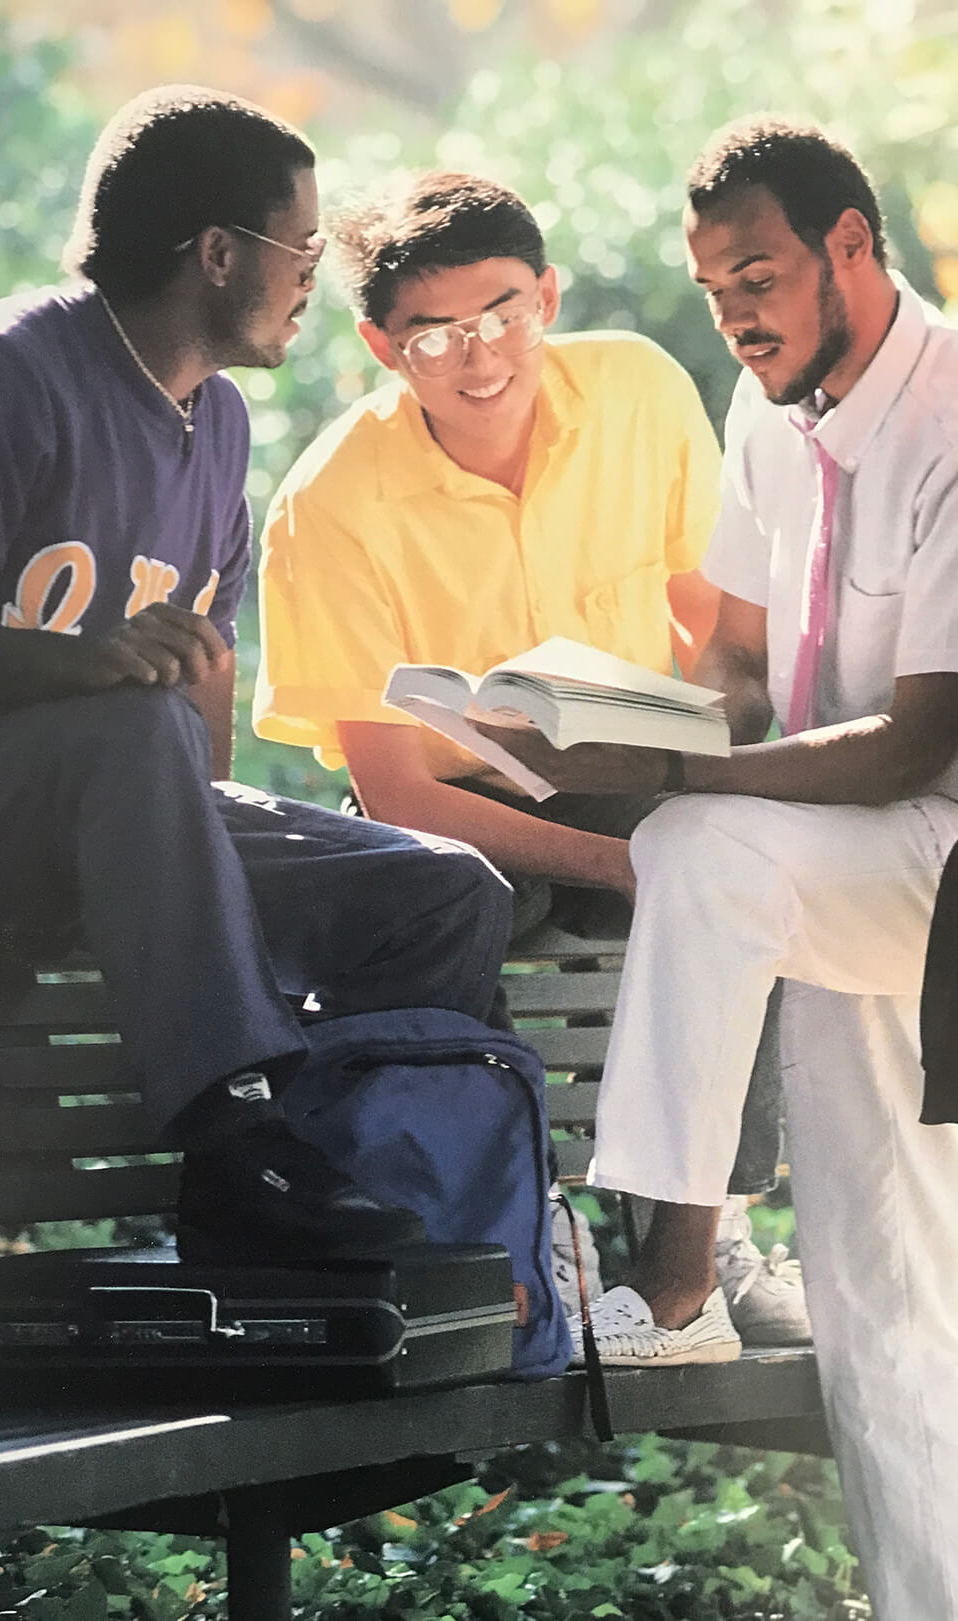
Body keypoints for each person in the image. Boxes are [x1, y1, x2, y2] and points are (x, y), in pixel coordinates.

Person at [476, 118, 958, 1621]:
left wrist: (674, 782)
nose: (734, 313)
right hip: (823, 865)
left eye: (758, 275)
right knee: (885, 1309)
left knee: (700, 838)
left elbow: (914, 743)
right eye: (711, 286)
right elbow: (742, 668)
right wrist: (602, 732)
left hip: (933, 861)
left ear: (853, 249)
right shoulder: (770, 420)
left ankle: (673, 1277)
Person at [0, 86, 515, 1269]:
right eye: (301, 245)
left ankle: (352, 1197)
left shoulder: (219, 428)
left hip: (119, 821)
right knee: (128, 727)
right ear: (218, 253)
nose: (314, 273)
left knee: (444, 889)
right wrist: (83, 667)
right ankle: (243, 1138)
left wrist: (166, 784)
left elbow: (196, 730)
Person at [253, 169, 809, 1345]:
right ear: (378, 344)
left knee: (743, 858)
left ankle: (698, 1266)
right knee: (452, 907)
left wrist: (692, 754)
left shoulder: (638, 389)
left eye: (503, 310)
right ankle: (510, 1239)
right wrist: (622, 866)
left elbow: (720, 634)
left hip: (629, 768)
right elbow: (395, 785)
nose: (480, 353)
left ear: (547, 293)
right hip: (444, 819)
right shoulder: (329, 501)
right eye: (436, 333)